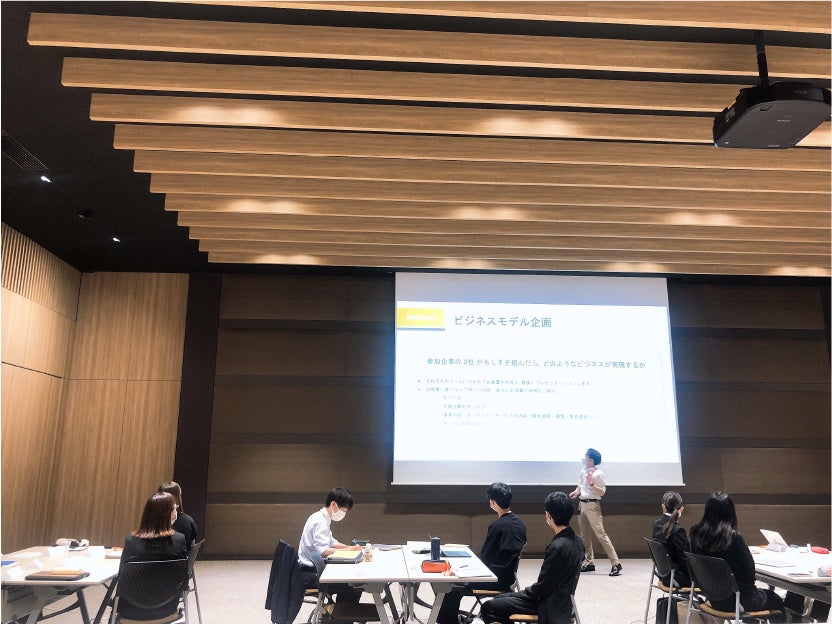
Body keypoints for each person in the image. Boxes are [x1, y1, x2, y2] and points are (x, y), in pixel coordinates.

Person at [479, 492, 584, 624]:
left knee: (489, 606)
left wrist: (514, 594)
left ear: (548, 515)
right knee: (501, 599)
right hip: (562, 602)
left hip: (548, 605)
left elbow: (541, 589)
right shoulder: (577, 540)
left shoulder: (558, 547)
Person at [436, 482, 527, 624]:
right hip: (509, 578)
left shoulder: (497, 526)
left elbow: (485, 559)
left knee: (451, 584)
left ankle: (447, 621)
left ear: (492, 502)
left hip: (493, 579)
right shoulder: (520, 524)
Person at [689, 491, 784, 616]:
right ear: (731, 512)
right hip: (739, 601)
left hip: (714, 599)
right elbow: (750, 574)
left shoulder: (695, 534)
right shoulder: (733, 538)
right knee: (776, 599)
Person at [118, 491, 188, 621]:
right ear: (166, 514)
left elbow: (121, 576)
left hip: (131, 610)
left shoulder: (131, 540)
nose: (176, 513)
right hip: (167, 608)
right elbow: (182, 577)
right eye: (174, 509)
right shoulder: (179, 540)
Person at [298, 486, 362, 603]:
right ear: (333, 504)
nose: (344, 514)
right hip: (311, 573)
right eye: (343, 510)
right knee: (354, 583)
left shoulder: (321, 517)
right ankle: (343, 613)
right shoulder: (320, 522)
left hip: (310, 569)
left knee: (351, 578)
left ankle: (340, 611)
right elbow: (324, 551)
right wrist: (348, 551)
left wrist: (350, 547)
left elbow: (331, 542)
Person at [568, 448, 622, 576]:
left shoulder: (598, 474)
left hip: (593, 505)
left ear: (591, 460)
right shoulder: (583, 471)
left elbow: (602, 492)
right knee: (585, 536)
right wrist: (576, 492)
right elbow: (580, 485)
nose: (584, 458)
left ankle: (616, 564)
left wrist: (592, 484)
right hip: (582, 504)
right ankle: (589, 562)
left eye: (586, 456)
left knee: (601, 535)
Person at [651, 491, 690, 587]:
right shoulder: (678, 530)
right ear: (681, 509)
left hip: (664, 575)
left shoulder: (656, 524)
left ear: (663, 507)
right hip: (677, 578)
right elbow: (684, 560)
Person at [158, 481, 198, 549]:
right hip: (181, 555)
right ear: (178, 497)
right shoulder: (188, 521)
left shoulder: (152, 520)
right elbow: (192, 550)